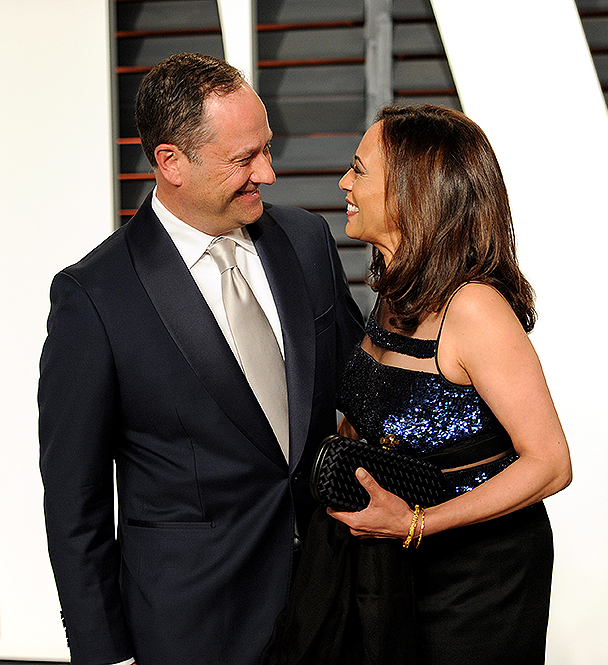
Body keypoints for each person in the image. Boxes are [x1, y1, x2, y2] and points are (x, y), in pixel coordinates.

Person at [38, 52, 363, 665]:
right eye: (245, 158)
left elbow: (362, 391)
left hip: (329, 605)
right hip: (194, 629)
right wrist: (104, 653)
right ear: (171, 162)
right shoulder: (94, 297)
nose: (267, 173)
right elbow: (73, 503)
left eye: (266, 148)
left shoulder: (305, 240)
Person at [263, 105, 572, 665]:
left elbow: (549, 464)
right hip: (393, 559)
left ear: (412, 192)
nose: (343, 183)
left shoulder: (475, 309)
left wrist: (416, 525)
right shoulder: (397, 293)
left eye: (359, 170)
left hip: (477, 577)